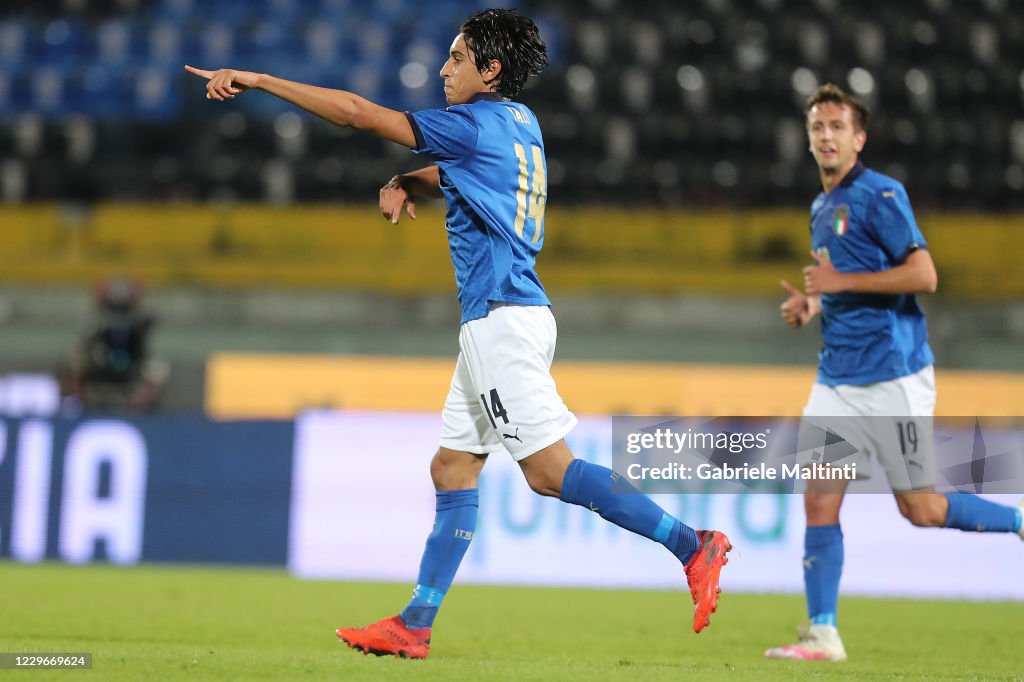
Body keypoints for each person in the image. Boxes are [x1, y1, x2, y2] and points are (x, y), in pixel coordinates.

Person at [185, 8, 731, 660]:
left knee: (550, 474)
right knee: (451, 467)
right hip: (503, 320)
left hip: (503, 320)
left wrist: (259, 79)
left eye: (456, 58)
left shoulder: (470, 127)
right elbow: (457, 174)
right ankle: (416, 621)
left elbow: (359, 112)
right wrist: (404, 180)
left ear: (490, 69)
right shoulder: (520, 125)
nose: (444, 69)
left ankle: (691, 545)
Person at [766, 83, 1024, 662]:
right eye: (817, 127)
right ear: (808, 139)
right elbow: (838, 280)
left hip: (892, 378)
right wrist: (811, 305)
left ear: (859, 138)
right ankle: (823, 633)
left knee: (921, 509)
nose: (826, 135)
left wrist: (839, 285)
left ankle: (1018, 518)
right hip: (837, 379)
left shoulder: (882, 195)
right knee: (818, 502)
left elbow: (924, 275)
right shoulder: (821, 207)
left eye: (837, 126)